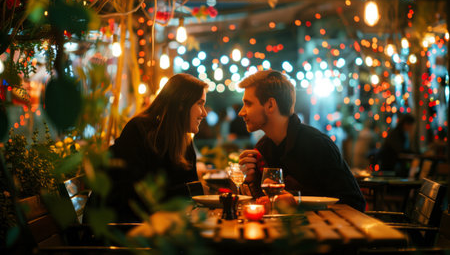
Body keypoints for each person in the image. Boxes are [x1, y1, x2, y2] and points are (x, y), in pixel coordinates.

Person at [238, 70, 366, 212]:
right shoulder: (263, 148)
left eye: (248, 104)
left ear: (270, 105)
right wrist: (251, 181)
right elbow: (264, 204)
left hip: (325, 231)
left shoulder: (316, 144)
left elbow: (355, 202)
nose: (241, 112)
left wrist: (296, 201)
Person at [99, 73, 208, 222]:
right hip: (126, 230)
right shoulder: (140, 130)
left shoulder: (183, 140)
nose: (204, 113)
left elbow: (192, 193)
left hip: (162, 226)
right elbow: (134, 197)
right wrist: (190, 191)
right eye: (200, 104)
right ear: (182, 104)